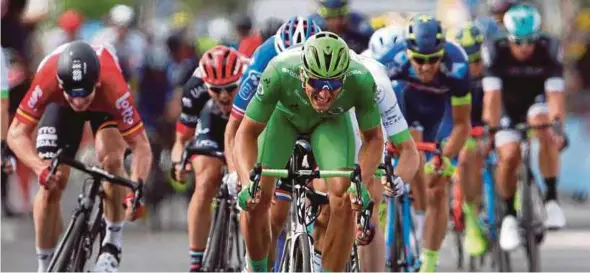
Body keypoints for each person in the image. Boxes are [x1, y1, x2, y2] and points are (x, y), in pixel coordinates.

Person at [233, 31, 416, 272]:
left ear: (345, 77)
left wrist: (361, 180)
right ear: (302, 74)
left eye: (334, 85)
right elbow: (245, 133)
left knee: (343, 198)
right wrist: (247, 181)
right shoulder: (278, 71)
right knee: (258, 199)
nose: (324, 93)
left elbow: (373, 139)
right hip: (284, 118)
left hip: (330, 123)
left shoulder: (361, 80)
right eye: (317, 83)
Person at [6, 41, 152, 272]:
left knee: (111, 159)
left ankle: (112, 245)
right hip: (59, 108)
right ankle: (45, 265)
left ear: (96, 82)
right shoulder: (47, 80)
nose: (79, 101)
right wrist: (39, 167)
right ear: (61, 84)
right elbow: (15, 134)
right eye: (72, 94)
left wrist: (136, 187)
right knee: (50, 184)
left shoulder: (113, 86)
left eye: (85, 94)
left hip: (104, 108)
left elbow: (141, 145)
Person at [376, 15, 472, 272]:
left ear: (443, 54)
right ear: (407, 52)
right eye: (418, 59)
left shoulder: (458, 64)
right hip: (403, 111)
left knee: (437, 188)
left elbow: (463, 125)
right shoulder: (390, 61)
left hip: (439, 120)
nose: (426, 67)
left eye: (433, 59)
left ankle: (428, 261)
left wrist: (446, 159)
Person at [225, 16, 321, 269]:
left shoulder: (328, 58)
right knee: (272, 211)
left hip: (316, 121)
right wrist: (237, 174)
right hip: (274, 121)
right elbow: (237, 126)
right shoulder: (263, 59)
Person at [481, 4, 566, 252]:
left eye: (530, 41)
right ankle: (508, 216)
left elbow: (556, 96)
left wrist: (558, 127)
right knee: (508, 155)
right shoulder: (494, 51)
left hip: (537, 102)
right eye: (518, 42)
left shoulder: (548, 48)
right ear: (508, 38)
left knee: (545, 125)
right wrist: (492, 131)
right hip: (506, 105)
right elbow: (492, 98)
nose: (525, 47)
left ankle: (551, 199)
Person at [169, 45, 249, 272]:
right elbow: (181, 139)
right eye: (216, 89)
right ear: (205, 83)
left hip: (244, 124)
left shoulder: (254, 80)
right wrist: (178, 162)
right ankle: (196, 262)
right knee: (206, 180)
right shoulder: (194, 88)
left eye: (231, 88)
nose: (224, 95)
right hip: (211, 123)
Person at [452, 22, 489, 257]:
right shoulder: (453, 75)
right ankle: (471, 215)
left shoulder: (490, 73)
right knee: (466, 156)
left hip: (484, 126)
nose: (473, 66)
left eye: (477, 60)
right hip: (462, 130)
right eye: (468, 61)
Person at [92, 4, 147, 79]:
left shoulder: (137, 41)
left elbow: (137, 68)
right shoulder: (101, 38)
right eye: (118, 25)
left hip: (128, 77)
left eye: (125, 26)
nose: (121, 30)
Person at [308, 0, 374, 53]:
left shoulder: (361, 27)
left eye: (340, 16)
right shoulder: (313, 26)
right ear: (323, 17)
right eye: (331, 17)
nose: (336, 22)